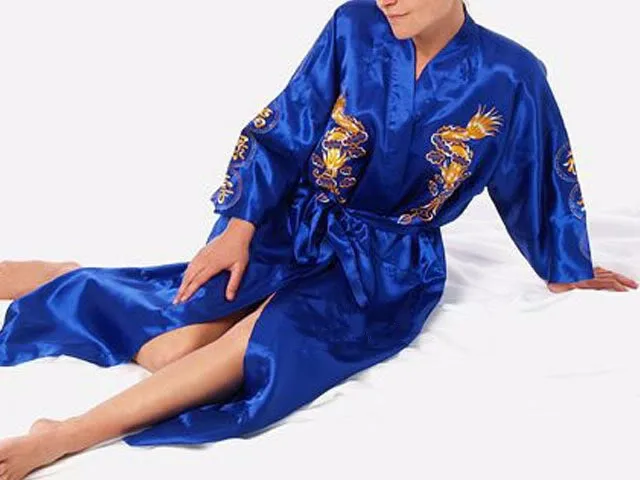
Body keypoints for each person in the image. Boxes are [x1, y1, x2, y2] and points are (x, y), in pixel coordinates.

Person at [1, 0, 637, 478]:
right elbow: (286, 129)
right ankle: (65, 274)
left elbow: (537, 175)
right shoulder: (353, 26)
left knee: (254, 351)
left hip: (386, 265)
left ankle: (65, 433)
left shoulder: (511, 74)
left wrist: (568, 266)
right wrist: (241, 225)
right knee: (177, 345)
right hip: (297, 223)